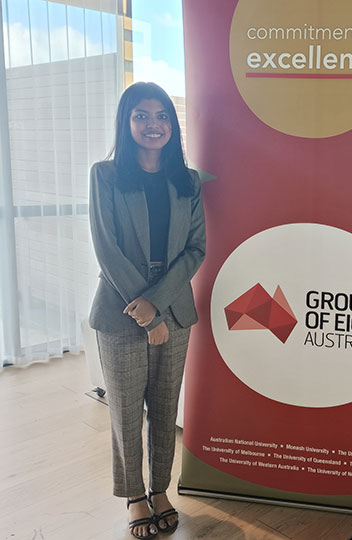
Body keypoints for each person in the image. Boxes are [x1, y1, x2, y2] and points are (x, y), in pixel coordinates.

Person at [89, 82, 205, 538]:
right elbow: (107, 248)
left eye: (162, 116)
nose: (153, 124)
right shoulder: (105, 174)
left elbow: (196, 249)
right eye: (141, 115)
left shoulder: (188, 180)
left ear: (172, 126)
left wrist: (158, 306)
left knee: (163, 406)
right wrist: (146, 314)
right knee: (124, 410)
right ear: (127, 121)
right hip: (120, 310)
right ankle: (136, 496)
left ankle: (161, 490)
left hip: (174, 308)